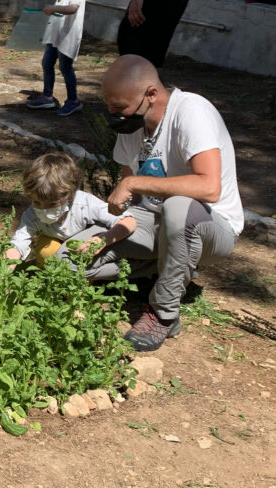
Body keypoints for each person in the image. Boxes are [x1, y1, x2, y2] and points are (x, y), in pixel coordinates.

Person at [103, 55, 243, 351]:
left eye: (120, 108)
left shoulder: (191, 111)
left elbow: (208, 187)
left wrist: (131, 182)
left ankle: (163, 315)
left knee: (178, 206)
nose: (114, 115)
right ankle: (167, 270)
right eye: (110, 107)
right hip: (155, 222)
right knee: (74, 255)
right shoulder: (132, 129)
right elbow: (135, 203)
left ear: (151, 94)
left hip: (209, 227)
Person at [4, 151, 138, 280]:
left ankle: (84, 284)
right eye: (37, 202)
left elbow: (128, 221)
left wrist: (103, 240)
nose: (43, 209)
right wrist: (4, 271)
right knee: (46, 252)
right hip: (58, 244)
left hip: (84, 247)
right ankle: (52, 279)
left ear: (70, 195)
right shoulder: (32, 214)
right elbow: (19, 242)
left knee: (75, 263)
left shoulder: (85, 204)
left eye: (51, 204)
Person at [26, 0, 87, 117]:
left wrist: (54, 8)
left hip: (67, 36)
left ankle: (73, 101)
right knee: (47, 63)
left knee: (65, 67)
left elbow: (73, 7)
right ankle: (47, 96)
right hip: (56, 35)